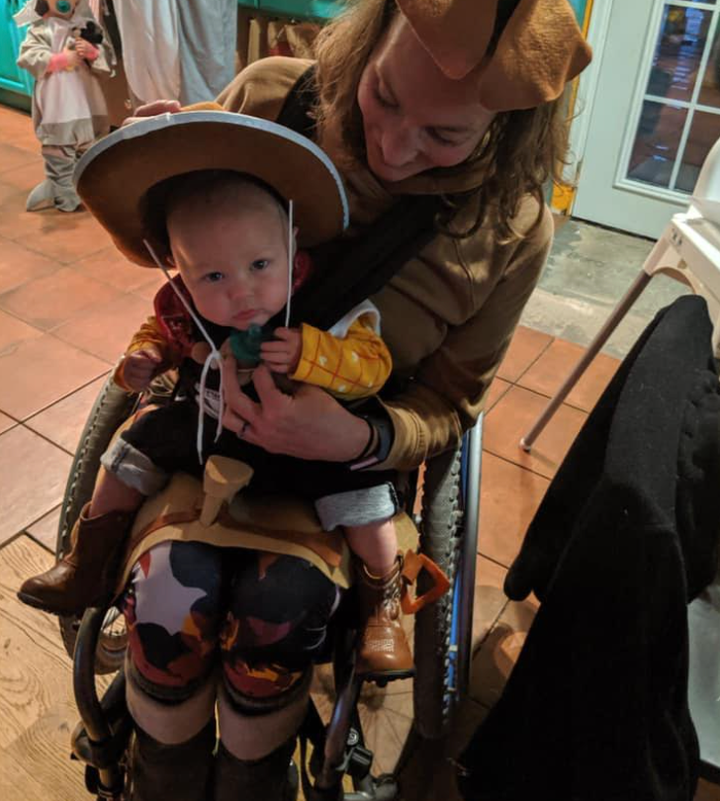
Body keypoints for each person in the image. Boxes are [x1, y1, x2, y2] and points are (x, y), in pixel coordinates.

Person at [45, 2, 595, 800]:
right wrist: (157, 157)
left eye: (444, 135)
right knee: (172, 592)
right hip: (206, 431)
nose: (396, 147)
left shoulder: (511, 230)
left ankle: (252, 777)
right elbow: (176, 254)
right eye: (385, 96)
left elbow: (449, 406)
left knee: (281, 605)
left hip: (340, 467)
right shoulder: (271, 99)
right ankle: (157, 772)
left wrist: (355, 438)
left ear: (508, 129)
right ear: (366, 45)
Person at [18, 114, 416, 680]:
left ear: (291, 242)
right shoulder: (184, 303)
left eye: (259, 265)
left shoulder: (329, 301)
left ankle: (381, 604)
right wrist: (144, 359)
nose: (242, 292)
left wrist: (312, 354)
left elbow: (373, 368)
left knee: (363, 493)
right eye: (212, 278)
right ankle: (87, 558)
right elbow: (163, 332)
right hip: (213, 428)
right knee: (135, 442)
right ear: (178, 268)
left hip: (309, 444)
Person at [15, 0, 111, 212]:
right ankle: (63, 193)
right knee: (59, 147)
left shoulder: (88, 27)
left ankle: (85, 187)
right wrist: (59, 59)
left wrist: (93, 54)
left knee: (88, 145)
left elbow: (106, 60)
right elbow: (28, 56)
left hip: (85, 98)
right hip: (57, 99)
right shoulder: (41, 28)